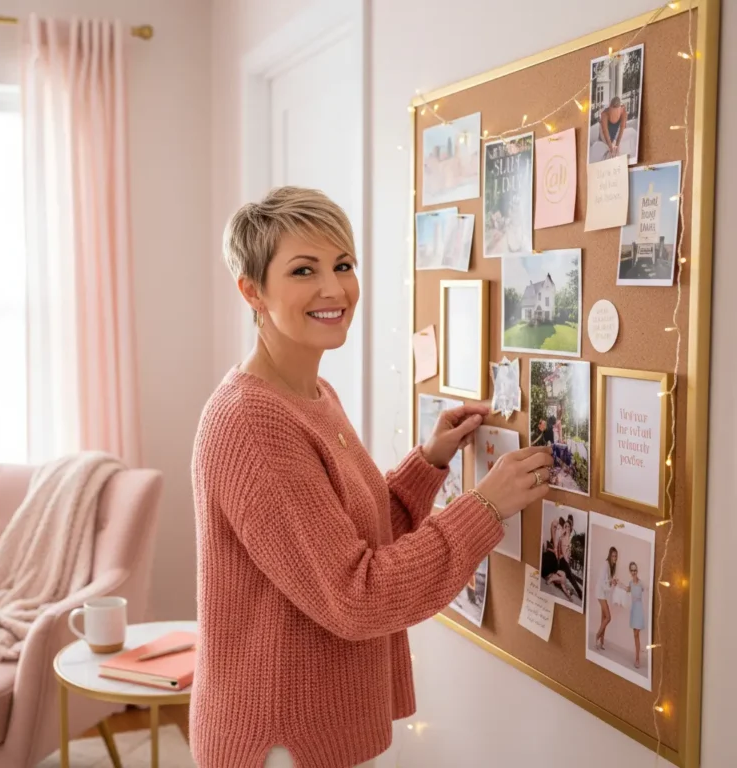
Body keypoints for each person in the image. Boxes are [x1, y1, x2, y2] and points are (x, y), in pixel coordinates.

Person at [190, 186, 554, 768]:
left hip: (314, 729)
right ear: (252, 290)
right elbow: (355, 594)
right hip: (281, 742)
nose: (334, 288)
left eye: (343, 265)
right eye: (304, 270)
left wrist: (428, 463)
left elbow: (346, 535)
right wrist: (483, 508)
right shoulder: (251, 421)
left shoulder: (312, 392)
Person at [622, 561, 646, 669]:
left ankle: (637, 658)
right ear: (630, 571)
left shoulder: (641, 583)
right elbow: (627, 589)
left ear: (637, 570)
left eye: (635, 570)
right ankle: (637, 656)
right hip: (633, 610)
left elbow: (647, 591)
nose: (634, 572)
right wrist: (619, 583)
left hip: (639, 610)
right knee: (635, 635)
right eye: (632, 570)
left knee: (637, 634)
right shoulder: (631, 583)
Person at [595, 546, 618, 651]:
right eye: (613, 556)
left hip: (603, 593)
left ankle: (601, 642)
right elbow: (601, 581)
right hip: (600, 592)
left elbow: (607, 582)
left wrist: (612, 582)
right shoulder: (606, 564)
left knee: (603, 618)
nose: (614, 558)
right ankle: (597, 635)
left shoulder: (611, 566)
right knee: (608, 617)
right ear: (609, 555)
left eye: (615, 556)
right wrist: (610, 582)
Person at [557, 515, 582, 601]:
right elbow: (560, 552)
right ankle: (580, 593)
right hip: (561, 561)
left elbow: (568, 554)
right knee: (570, 577)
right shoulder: (561, 538)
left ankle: (578, 592)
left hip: (565, 563)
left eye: (568, 526)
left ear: (570, 528)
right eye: (565, 526)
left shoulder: (570, 540)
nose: (567, 527)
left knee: (570, 577)